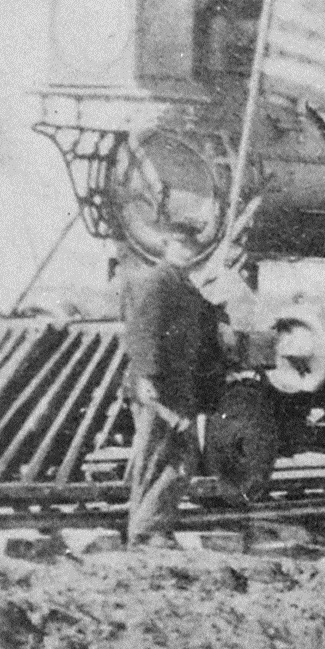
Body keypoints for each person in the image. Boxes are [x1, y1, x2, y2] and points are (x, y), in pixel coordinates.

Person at [117, 224, 229, 549]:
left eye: (191, 247)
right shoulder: (158, 281)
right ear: (166, 246)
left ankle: (151, 528)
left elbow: (203, 317)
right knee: (161, 457)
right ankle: (148, 530)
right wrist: (146, 378)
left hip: (179, 389)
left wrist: (221, 319)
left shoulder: (183, 284)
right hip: (160, 389)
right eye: (179, 245)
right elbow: (143, 332)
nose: (186, 251)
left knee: (177, 458)